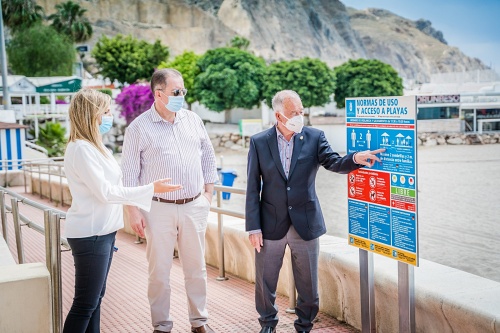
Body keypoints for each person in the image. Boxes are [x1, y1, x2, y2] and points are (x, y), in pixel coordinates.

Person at [245, 90, 384, 333]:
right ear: (279, 115)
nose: (299, 116)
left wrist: (356, 158)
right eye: (293, 113)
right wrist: (253, 227)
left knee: (308, 283)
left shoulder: (314, 137)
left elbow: (334, 162)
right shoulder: (259, 142)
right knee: (265, 282)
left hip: (306, 223)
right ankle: (267, 323)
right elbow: (252, 187)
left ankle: (305, 325)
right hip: (269, 225)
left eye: (301, 112)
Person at [63, 89, 183, 333]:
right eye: (105, 111)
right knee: (85, 303)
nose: (110, 116)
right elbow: (106, 192)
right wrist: (151, 188)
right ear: (92, 114)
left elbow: (114, 186)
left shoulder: (96, 147)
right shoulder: (81, 150)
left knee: (95, 300)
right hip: (91, 234)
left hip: (103, 232)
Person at [121, 68, 218, 333]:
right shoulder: (138, 128)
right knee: (159, 273)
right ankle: (161, 325)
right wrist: (133, 211)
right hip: (157, 209)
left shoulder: (193, 120)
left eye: (183, 90)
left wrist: (207, 195)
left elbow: (208, 157)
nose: (182, 96)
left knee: (196, 269)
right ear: (159, 94)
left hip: (194, 205)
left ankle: (199, 322)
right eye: (177, 92)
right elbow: (128, 174)